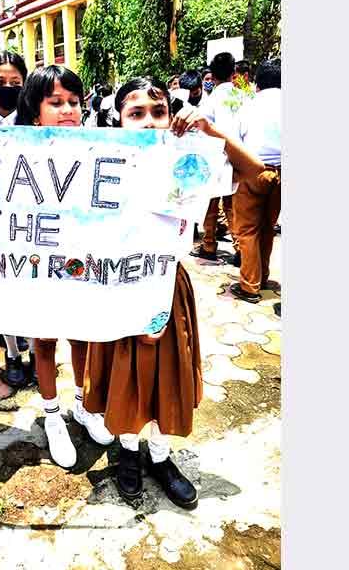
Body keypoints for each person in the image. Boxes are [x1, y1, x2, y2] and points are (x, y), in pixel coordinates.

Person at [82, 76, 265, 509]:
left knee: (168, 377)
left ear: (172, 115)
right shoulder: (99, 161)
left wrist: (211, 131)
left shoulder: (191, 160)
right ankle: (128, 453)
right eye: (136, 113)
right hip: (118, 284)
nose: (149, 121)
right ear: (117, 120)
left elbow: (256, 172)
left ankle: (161, 457)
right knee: (126, 375)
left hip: (168, 282)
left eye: (158, 111)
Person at [15, 65, 116, 468]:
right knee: (44, 341)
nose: (68, 110)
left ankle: (83, 405)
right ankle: (52, 414)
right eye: (56, 103)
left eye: (74, 102)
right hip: (37, 264)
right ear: (36, 111)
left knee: (81, 338)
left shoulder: (97, 151)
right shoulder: (15, 156)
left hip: (82, 264)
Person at [0, 50, 36, 387]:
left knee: (32, 284)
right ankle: (12, 353)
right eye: (0, 82)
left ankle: (37, 352)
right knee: (3, 287)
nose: (8, 88)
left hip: (33, 220)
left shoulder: (36, 119)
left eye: (15, 82)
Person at [230, 58, 282, 304]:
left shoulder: (249, 105)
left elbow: (234, 140)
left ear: (258, 83)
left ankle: (250, 285)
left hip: (252, 170)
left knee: (247, 230)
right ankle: (263, 276)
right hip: (282, 173)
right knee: (267, 228)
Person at [191, 52, 240, 264]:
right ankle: (240, 248)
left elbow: (202, 131)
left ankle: (209, 245)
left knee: (211, 204)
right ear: (234, 72)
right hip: (238, 156)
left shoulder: (209, 102)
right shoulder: (243, 98)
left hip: (214, 158)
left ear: (212, 73)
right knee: (233, 206)